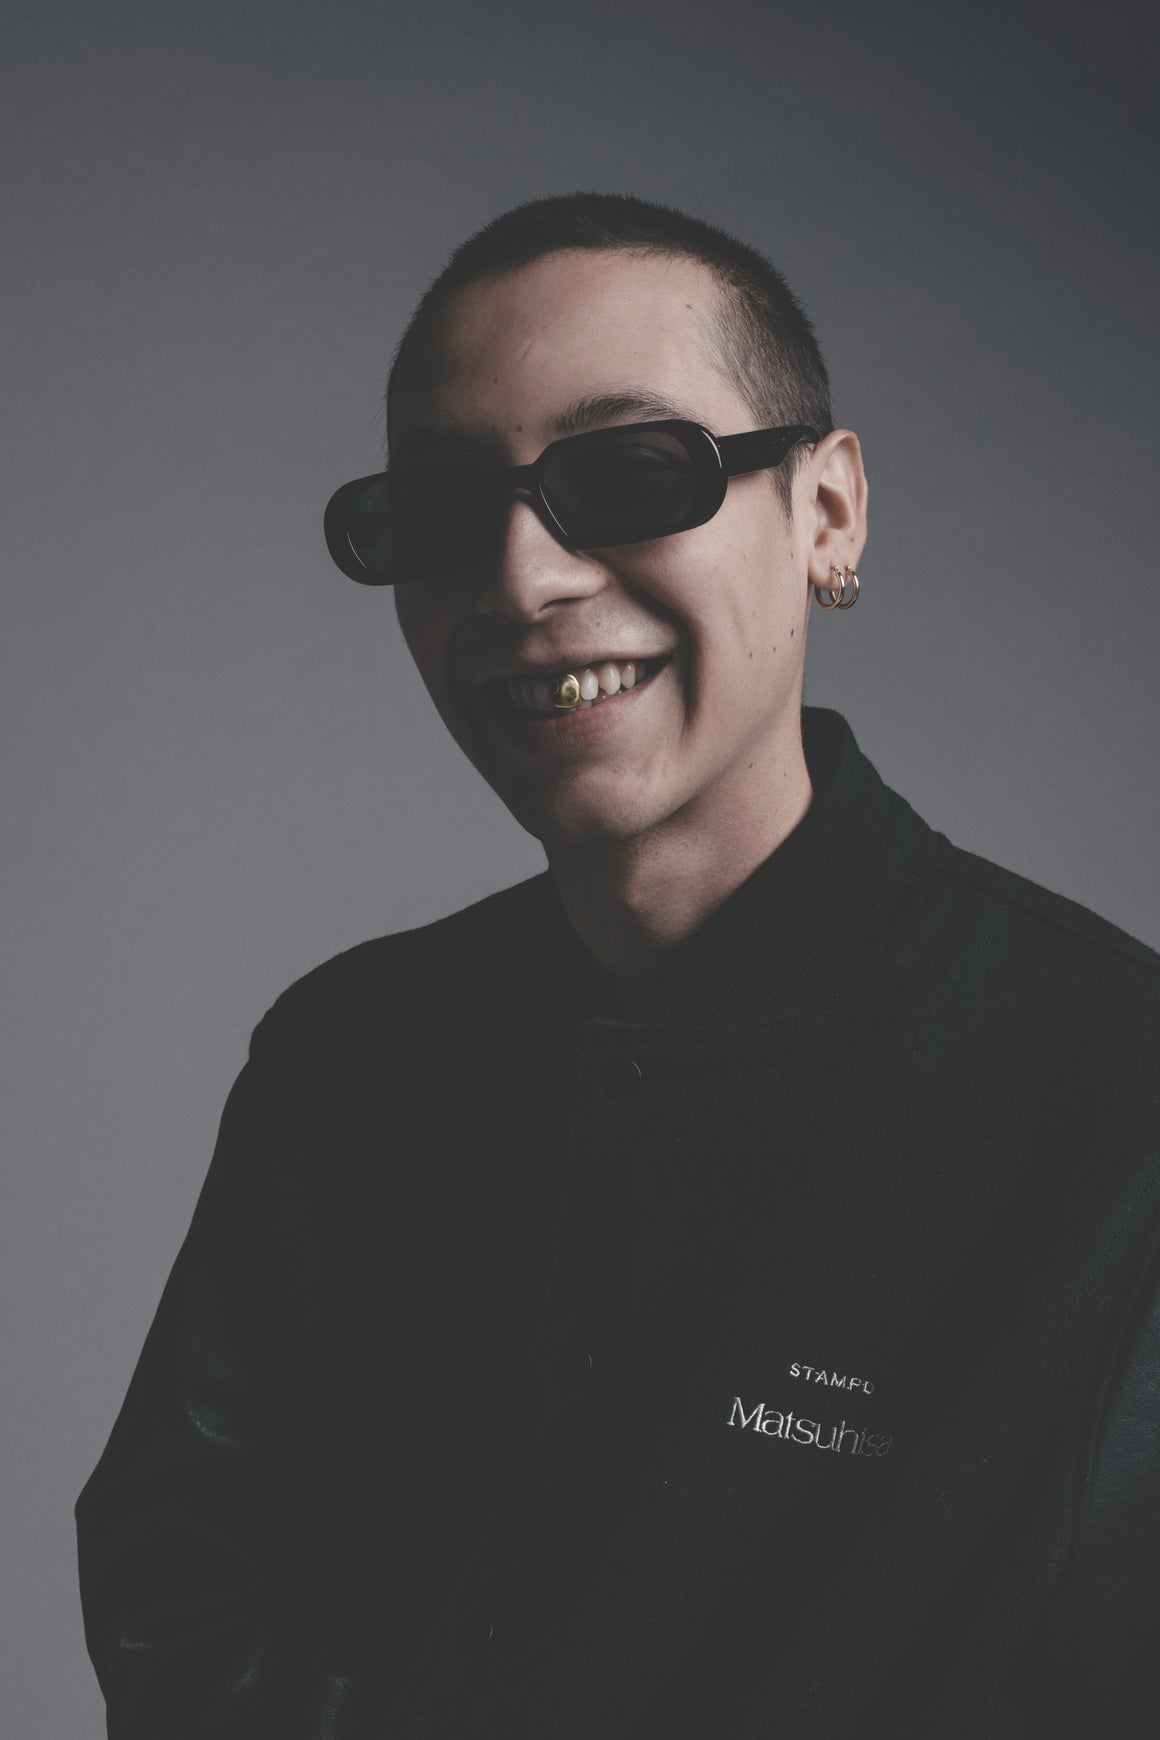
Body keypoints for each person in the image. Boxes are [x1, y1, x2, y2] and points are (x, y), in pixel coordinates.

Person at [75, 192, 1160, 1739]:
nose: (521, 579)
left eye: (633, 475)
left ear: (828, 513)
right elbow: (178, 1591)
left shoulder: (1116, 1103)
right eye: (445, 512)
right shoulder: (341, 1055)